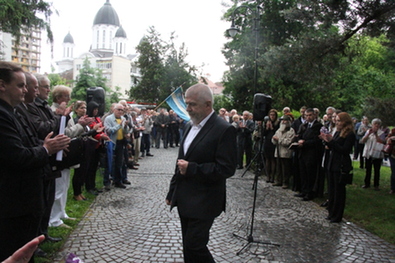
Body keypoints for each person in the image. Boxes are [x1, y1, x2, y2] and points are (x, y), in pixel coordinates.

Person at [0, 62, 69, 262]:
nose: (26, 91)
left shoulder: (11, 111)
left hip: (23, 201)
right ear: (2, 85)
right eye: (21, 85)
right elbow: (17, 156)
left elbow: (27, 142)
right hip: (13, 204)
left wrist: (46, 144)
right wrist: (47, 149)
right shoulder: (3, 115)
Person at [165, 83, 237, 263]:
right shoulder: (191, 125)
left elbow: (226, 168)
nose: (187, 108)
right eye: (187, 103)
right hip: (185, 198)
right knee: (188, 248)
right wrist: (172, 191)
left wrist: (193, 168)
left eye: (192, 104)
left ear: (208, 104)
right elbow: (181, 161)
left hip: (205, 200)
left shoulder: (224, 129)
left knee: (195, 246)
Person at [321, 112, 355, 223]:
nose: (337, 122)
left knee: (339, 191)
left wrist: (332, 142)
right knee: (332, 190)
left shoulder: (350, 134)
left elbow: (344, 150)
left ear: (345, 122)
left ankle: (337, 215)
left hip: (340, 164)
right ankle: (331, 212)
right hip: (332, 163)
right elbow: (333, 146)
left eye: (339, 120)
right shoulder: (338, 132)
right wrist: (327, 140)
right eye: (337, 120)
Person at [295, 108, 323, 201]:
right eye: (306, 115)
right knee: (303, 173)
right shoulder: (304, 126)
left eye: (310, 115)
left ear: (314, 115)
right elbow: (299, 135)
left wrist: (305, 142)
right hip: (303, 152)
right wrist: (298, 140)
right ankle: (304, 190)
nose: (308, 117)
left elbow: (317, 140)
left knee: (310, 173)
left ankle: (310, 192)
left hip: (311, 153)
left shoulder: (318, 126)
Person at [104, 103, 131, 188]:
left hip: (120, 142)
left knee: (120, 163)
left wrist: (126, 127)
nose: (120, 111)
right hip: (111, 142)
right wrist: (119, 125)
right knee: (109, 163)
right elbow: (109, 130)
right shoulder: (108, 119)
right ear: (114, 110)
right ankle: (107, 181)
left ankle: (118, 181)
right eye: (118, 109)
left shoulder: (123, 118)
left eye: (121, 110)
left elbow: (125, 132)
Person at [361, 118, 386, 190]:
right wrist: (368, 134)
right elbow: (363, 140)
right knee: (368, 169)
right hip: (368, 152)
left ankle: (376, 185)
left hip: (377, 153)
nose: (376, 126)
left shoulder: (381, 133)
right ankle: (366, 183)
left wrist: (376, 135)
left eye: (378, 124)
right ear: (372, 125)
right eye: (375, 124)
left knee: (376, 170)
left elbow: (382, 141)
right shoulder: (368, 131)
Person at [272, 115, 295, 189]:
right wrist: (274, 140)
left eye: (285, 120)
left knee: (285, 168)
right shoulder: (279, 130)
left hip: (286, 152)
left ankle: (285, 182)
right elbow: (274, 139)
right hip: (278, 151)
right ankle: (279, 180)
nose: (283, 122)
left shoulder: (291, 131)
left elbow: (288, 142)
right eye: (282, 120)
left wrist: (279, 140)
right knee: (278, 167)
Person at [263, 109, 280, 183]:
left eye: (273, 115)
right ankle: (268, 175)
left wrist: (272, 128)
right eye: (271, 115)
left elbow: (277, 132)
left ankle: (273, 176)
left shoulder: (278, 123)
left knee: (273, 160)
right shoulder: (266, 122)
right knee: (267, 159)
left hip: (274, 142)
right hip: (267, 142)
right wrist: (267, 128)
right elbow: (263, 133)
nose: (272, 116)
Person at [386, 128, 395, 194]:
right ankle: (393, 188)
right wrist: (390, 138)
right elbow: (387, 139)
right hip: (393, 155)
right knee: (394, 172)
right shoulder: (393, 130)